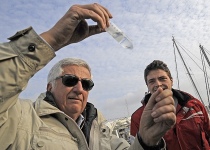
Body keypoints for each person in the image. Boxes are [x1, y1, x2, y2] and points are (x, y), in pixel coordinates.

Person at [0, 3, 176, 150]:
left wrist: (146, 141)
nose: (79, 89)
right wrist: (53, 39)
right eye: (70, 80)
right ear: (49, 87)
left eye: (86, 84)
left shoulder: (101, 131)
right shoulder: (21, 119)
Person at [130, 60, 210, 149]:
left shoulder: (194, 105)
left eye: (162, 79)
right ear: (147, 86)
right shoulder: (138, 118)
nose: (158, 84)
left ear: (171, 81)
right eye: (152, 81)